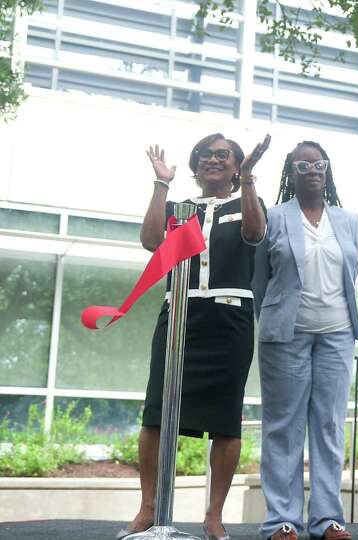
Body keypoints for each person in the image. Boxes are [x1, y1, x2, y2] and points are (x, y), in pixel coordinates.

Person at [119, 133, 270, 540]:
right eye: (205, 154)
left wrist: (251, 178)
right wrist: (161, 183)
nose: (212, 160)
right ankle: (148, 509)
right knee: (155, 413)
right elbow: (151, 241)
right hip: (180, 316)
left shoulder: (247, 202)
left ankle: (214, 516)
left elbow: (255, 236)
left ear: (237, 165)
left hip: (229, 320)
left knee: (226, 420)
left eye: (223, 155)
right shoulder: (178, 208)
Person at [253, 141, 358, 540]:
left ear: (327, 170)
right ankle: (281, 520)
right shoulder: (275, 217)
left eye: (319, 163)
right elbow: (259, 279)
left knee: (330, 426)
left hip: (336, 334)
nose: (313, 169)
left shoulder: (349, 220)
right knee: (283, 426)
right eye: (303, 164)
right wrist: (274, 318)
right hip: (286, 334)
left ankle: (327, 519)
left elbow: (351, 274)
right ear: (291, 172)